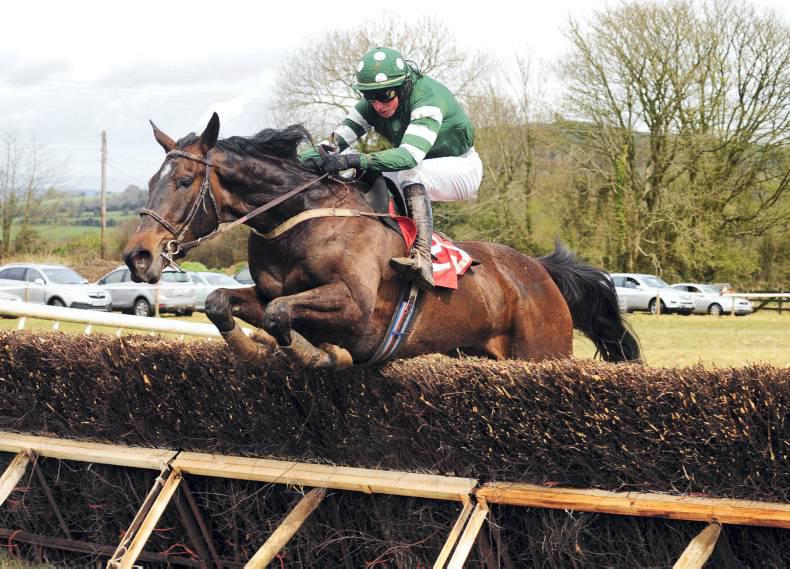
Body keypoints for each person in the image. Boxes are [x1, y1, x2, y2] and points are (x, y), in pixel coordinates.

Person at [303, 46, 482, 289]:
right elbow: (332, 146)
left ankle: (423, 257)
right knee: (366, 172)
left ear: (404, 87)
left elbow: (409, 156)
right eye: (370, 97)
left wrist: (356, 159)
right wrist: (290, 159)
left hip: (463, 169)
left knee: (406, 171)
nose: (378, 105)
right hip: (424, 168)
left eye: (385, 95)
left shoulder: (428, 99)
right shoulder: (373, 104)